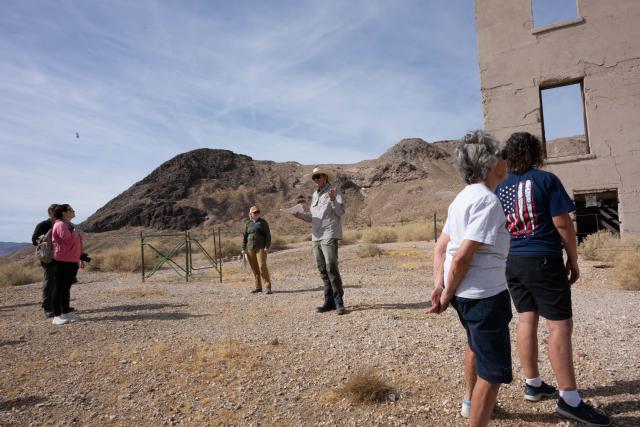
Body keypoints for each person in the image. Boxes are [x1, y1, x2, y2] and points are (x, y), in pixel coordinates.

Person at [496, 132, 611, 426]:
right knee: (559, 326)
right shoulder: (546, 180)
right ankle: (570, 400)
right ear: (536, 152)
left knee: (526, 320)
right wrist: (573, 260)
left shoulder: (500, 187)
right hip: (544, 259)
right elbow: (563, 224)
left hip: (514, 261)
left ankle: (532, 383)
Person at [429, 131, 511, 427]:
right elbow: (462, 256)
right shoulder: (488, 201)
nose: (506, 161)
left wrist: (440, 286)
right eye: (501, 156)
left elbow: (441, 248)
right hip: (484, 297)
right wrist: (445, 292)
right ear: (490, 164)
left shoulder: (461, 199)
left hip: (466, 298)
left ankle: (469, 402)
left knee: (475, 345)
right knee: (492, 373)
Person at [292, 166, 346, 315]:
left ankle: (338, 302)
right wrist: (300, 216)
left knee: (331, 268)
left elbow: (340, 211)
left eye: (318, 176)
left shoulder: (334, 190)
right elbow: (314, 217)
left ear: (325, 177)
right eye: (314, 178)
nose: (316, 180)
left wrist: (333, 199)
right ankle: (328, 302)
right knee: (323, 269)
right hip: (316, 236)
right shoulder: (315, 195)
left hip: (329, 233)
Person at [50, 204, 84, 325]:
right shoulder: (60, 225)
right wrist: (75, 233)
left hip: (71, 260)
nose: (73, 211)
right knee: (59, 288)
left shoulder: (69, 225)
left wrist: (81, 257)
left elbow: (77, 243)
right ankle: (57, 315)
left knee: (66, 288)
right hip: (62, 261)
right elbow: (68, 241)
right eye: (71, 210)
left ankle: (65, 312)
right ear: (64, 213)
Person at [31, 204, 58, 317]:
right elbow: (34, 240)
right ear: (50, 212)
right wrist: (46, 240)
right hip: (48, 258)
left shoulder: (62, 224)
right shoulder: (43, 225)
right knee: (50, 282)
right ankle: (47, 308)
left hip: (61, 257)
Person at [242, 206, 272, 294]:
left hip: (261, 248)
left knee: (262, 266)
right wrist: (243, 249)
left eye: (257, 212)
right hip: (250, 249)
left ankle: (268, 287)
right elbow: (244, 238)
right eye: (254, 212)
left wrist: (267, 246)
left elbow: (268, 236)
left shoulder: (263, 223)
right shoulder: (247, 224)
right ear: (250, 214)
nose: (256, 214)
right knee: (255, 269)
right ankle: (258, 287)